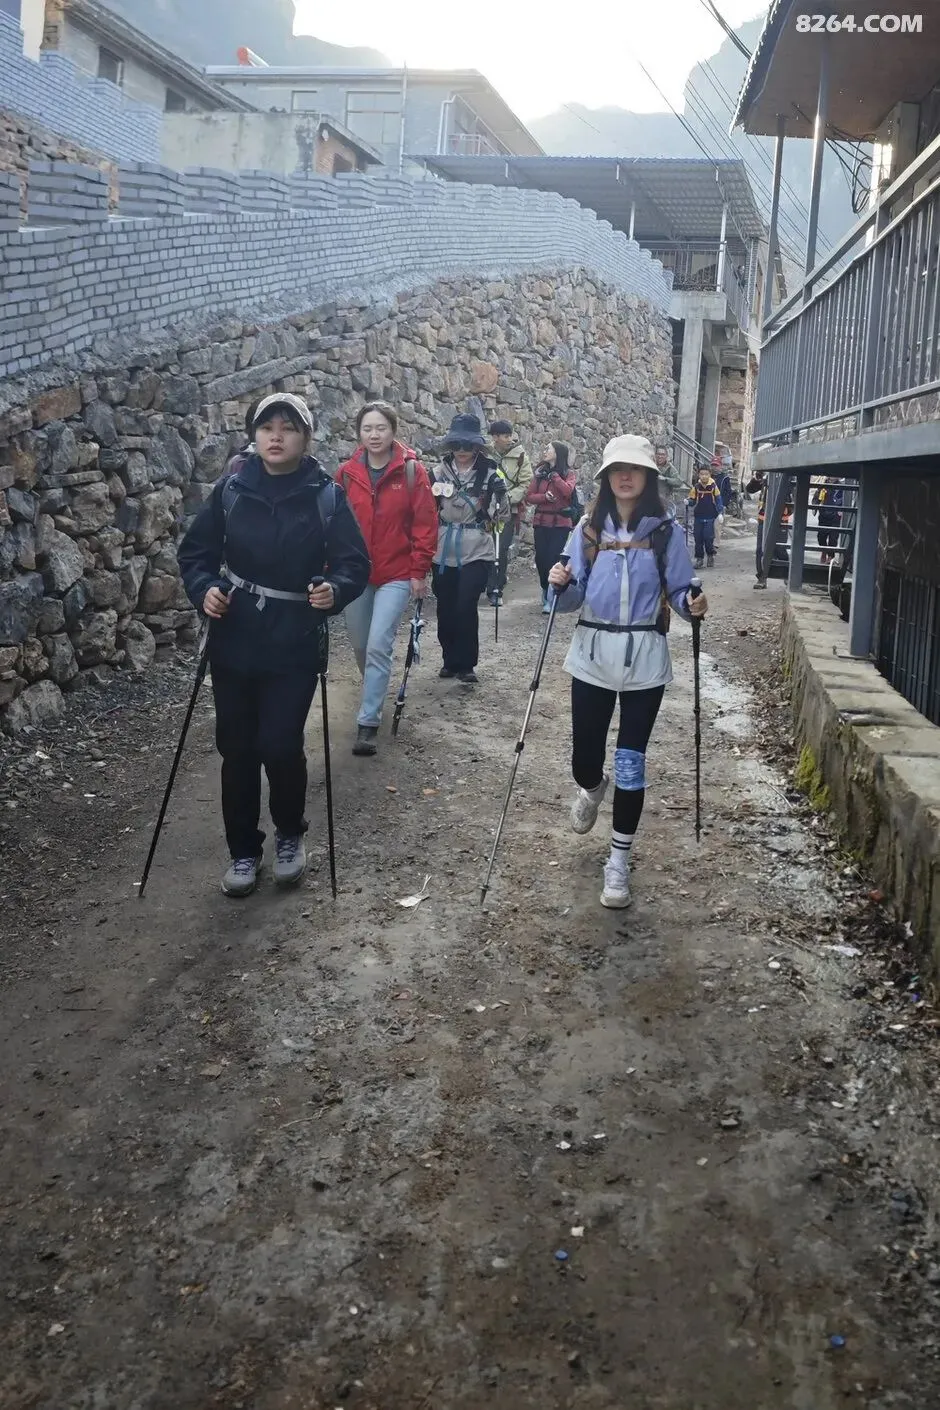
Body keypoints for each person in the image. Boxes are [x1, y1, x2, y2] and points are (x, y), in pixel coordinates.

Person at [179, 393, 370, 898]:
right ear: (255, 436)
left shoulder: (325, 496)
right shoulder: (232, 490)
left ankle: (289, 833)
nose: (276, 437)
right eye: (267, 428)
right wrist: (205, 589)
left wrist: (334, 591)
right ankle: (243, 849)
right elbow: (195, 554)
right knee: (237, 748)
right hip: (235, 638)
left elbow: (354, 564)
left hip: (294, 640)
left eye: (288, 428)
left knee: (280, 744)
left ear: (306, 437)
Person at [548, 434, 708, 909]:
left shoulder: (665, 532)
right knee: (584, 759)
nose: (625, 476)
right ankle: (592, 789)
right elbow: (569, 597)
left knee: (630, 762)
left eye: (634, 469)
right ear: (605, 478)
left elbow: (680, 591)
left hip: (645, 657)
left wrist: (692, 604)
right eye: (617, 469)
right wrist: (558, 584)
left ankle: (618, 861)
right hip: (592, 653)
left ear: (647, 477)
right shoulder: (587, 530)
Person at [335, 401, 437, 756]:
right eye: (367, 429)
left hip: (396, 572)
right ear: (359, 434)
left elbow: (425, 523)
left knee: (379, 643)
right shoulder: (346, 474)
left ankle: (368, 721)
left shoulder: (411, 472)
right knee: (361, 644)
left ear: (393, 431)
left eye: (381, 428)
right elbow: (334, 522)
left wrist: (419, 570)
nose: (374, 435)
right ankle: (374, 688)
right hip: (355, 574)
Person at [430, 413, 507, 685]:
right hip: (443, 547)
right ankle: (449, 660)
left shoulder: (491, 474)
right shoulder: (437, 473)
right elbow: (427, 509)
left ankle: (466, 664)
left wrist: (497, 499)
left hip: (477, 546)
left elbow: (503, 514)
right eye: (457, 444)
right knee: (446, 606)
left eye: (467, 445)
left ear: (477, 446)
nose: (462, 450)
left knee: (465, 604)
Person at [526, 441, 577, 613]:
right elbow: (529, 496)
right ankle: (544, 587)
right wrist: (544, 497)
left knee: (554, 558)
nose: (545, 451)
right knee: (541, 559)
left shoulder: (569, 474)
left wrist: (555, 476)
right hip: (541, 522)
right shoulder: (540, 473)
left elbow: (567, 491)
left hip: (561, 523)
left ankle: (550, 595)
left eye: (549, 449)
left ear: (558, 453)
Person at [486, 419, 532, 607]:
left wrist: (506, 498)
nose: (509, 439)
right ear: (495, 437)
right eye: (505, 436)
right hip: (485, 510)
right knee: (484, 547)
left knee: (501, 549)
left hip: (507, 512)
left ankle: (496, 589)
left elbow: (526, 484)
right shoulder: (485, 454)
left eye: (509, 435)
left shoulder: (520, 456)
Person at [687, 464, 723, 568]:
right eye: (702, 474)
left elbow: (718, 500)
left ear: (710, 475)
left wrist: (720, 512)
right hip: (698, 516)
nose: (704, 476)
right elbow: (692, 500)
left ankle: (710, 555)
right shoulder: (696, 487)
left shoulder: (713, 486)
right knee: (698, 538)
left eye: (706, 474)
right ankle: (699, 559)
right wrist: (688, 502)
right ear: (698, 475)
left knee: (708, 538)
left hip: (710, 516)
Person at [812, 477, 843, 565]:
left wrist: (842, 509)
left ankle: (830, 557)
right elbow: (816, 499)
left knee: (833, 538)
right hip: (823, 515)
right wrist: (814, 507)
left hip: (835, 515)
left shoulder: (841, 487)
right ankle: (824, 550)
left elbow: (845, 499)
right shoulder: (823, 486)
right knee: (821, 537)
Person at [746, 468, 767, 587]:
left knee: (778, 549)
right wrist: (756, 479)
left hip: (780, 520)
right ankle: (762, 577)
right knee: (760, 549)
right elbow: (750, 489)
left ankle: (787, 574)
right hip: (763, 518)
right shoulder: (765, 478)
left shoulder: (784, 477)